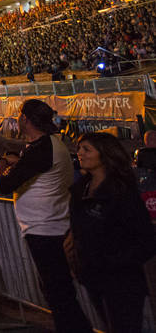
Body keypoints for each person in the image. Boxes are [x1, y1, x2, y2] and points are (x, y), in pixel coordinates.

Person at [0, 99, 89, 332]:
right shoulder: (48, 146)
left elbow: (4, 184)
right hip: (49, 225)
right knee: (56, 290)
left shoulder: (42, 148)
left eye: (18, 115)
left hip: (46, 229)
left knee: (59, 292)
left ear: (25, 119)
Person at [71, 132, 156, 332]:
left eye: (86, 149)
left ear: (104, 154)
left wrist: (115, 261)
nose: (80, 154)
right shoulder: (80, 189)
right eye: (79, 149)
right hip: (93, 275)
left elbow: (146, 239)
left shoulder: (121, 191)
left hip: (121, 279)